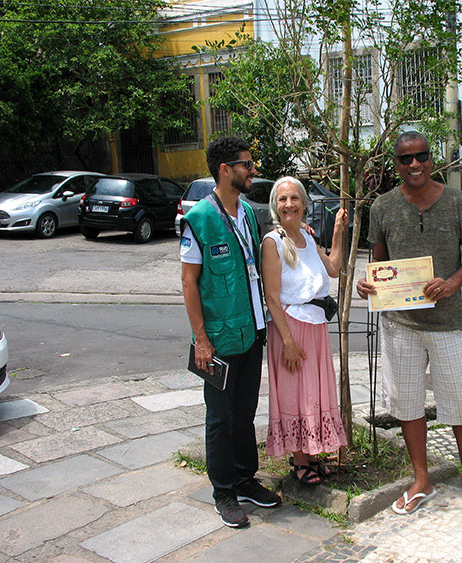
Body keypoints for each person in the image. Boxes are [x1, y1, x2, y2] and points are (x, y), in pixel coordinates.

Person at [356, 130, 462, 515]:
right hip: (399, 324)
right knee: (407, 403)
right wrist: (369, 284)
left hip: (448, 322)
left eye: (421, 156)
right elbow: (380, 264)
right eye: (405, 159)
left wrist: (452, 283)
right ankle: (422, 479)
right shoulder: (382, 208)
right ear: (396, 164)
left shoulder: (456, 202)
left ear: (431, 159)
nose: (414, 164)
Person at [180, 136, 281, 528]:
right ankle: (223, 491)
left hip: (252, 331)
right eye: (247, 164)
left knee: (244, 413)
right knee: (219, 417)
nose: (252, 170)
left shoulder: (249, 215)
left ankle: (244, 479)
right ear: (225, 169)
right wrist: (200, 339)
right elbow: (190, 283)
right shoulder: (200, 220)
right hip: (219, 339)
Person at [262, 177, 349, 485]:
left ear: (304, 204)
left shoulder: (308, 239)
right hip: (290, 327)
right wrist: (287, 340)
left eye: (294, 198)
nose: (289, 204)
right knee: (294, 392)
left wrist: (338, 231)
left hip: (313, 326)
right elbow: (271, 296)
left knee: (312, 392)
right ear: (276, 205)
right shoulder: (272, 243)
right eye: (283, 199)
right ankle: (299, 460)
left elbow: (334, 269)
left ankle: (311, 454)